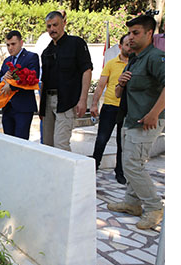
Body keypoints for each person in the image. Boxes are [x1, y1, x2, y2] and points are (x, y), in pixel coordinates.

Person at [107, 15, 165, 230]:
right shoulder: (135, 59)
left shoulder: (156, 57)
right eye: (129, 33)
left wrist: (154, 113)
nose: (130, 37)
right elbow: (118, 92)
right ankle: (132, 203)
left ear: (150, 34)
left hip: (146, 121)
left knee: (131, 165)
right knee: (132, 164)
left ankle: (153, 207)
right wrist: (120, 84)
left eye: (136, 33)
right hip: (131, 119)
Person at [39, 11, 93, 151]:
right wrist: (41, 107)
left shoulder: (76, 43)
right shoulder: (46, 52)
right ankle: (51, 173)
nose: (52, 29)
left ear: (64, 23)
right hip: (47, 102)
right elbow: (43, 79)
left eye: (55, 25)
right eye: (49, 26)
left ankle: (66, 173)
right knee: (47, 145)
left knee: (61, 144)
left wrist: (83, 99)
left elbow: (86, 71)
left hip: (67, 101)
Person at [90, 33, 131, 184]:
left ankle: (119, 171)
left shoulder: (136, 64)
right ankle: (94, 166)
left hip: (127, 109)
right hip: (110, 107)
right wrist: (94, 104)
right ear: (120, 47)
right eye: (126, 44)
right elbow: (101, 85)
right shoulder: (111, 63)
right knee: (101, 139)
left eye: (131, 44)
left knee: (122, 143)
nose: (129, 47)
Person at [0, 30, 41, 140]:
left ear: (21, 43)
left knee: (21, 142)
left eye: (13, 44)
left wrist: (10, 85)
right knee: (9, 141)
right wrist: (4, 78)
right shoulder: (7, 60)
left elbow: (32, 78)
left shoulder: (31, 57)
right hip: (8, 108)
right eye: (8, 45)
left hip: (23, 107)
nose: (10, 47)